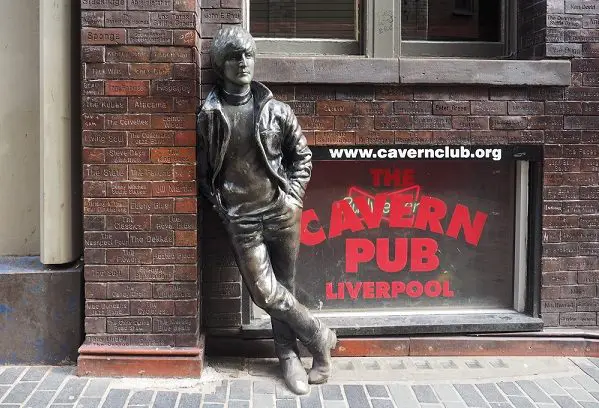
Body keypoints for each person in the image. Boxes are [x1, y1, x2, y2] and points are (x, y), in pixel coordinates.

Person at [196, 26, 336, 395]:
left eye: (247, 55)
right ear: (219, 64)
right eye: (233, 56)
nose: (242, 62)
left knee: (283, 288)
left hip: (281, 212)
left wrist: (292, 196)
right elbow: (204, 174)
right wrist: (223, 210)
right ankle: (320, 338)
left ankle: (290, 359)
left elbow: (301, 156)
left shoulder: (276, 110)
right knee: (265, 293)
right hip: (242, 219)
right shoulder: (209, 115)